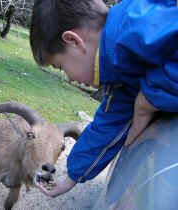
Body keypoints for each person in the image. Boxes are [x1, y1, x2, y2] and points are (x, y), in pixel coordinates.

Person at [29, 0, 178, 197]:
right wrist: (71, 178)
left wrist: (148, 101)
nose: (69, 77)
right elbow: (109, 122)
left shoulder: (140, 24)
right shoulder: (122, 69)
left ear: (74, 41)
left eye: (61, 67)